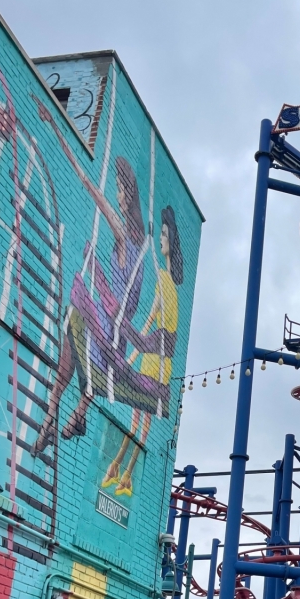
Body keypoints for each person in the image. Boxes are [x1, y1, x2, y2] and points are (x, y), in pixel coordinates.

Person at [33, 98, 147, 453]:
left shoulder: (127, 237)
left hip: (110, 324)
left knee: (77, 324)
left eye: (119, 189)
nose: (115, 195)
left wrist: (54, 127)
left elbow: (85, 182)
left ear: (128, 197)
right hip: (112, 323)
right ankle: (57, 421)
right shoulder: (136, 245)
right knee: (72, 337)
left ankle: (67, 415)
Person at [102, 206, 183, 496]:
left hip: (155, 359)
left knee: (140, 420)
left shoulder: (166, 279)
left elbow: (151, 319)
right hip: (160, 361)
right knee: (141, 421)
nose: (161, 239)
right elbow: (154, 320)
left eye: (164, 234)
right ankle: (121, 473)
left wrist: (135, 354)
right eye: (160, 233)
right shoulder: (168, 281)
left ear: (171, 241)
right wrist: (136, 354)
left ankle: (119, 469)